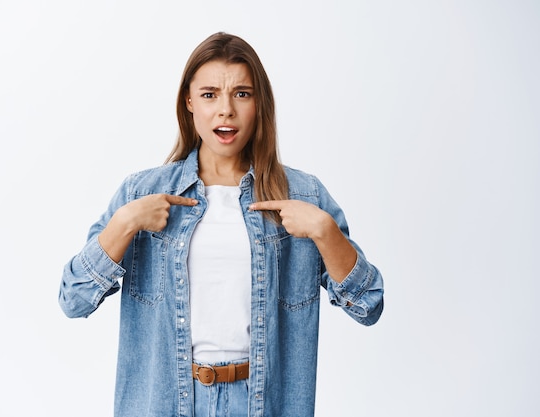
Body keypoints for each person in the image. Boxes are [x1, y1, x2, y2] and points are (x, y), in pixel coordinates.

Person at [59, 32, 384, 417]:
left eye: (242, 94)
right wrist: (125, 223)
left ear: (259, 103)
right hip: (168, 401)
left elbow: (369, 305)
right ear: (190, 101)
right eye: (210, 94)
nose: (225, 110)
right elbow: (73, 300)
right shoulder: (142, 192)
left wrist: (326, 233)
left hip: (263, 402)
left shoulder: (305, 195)